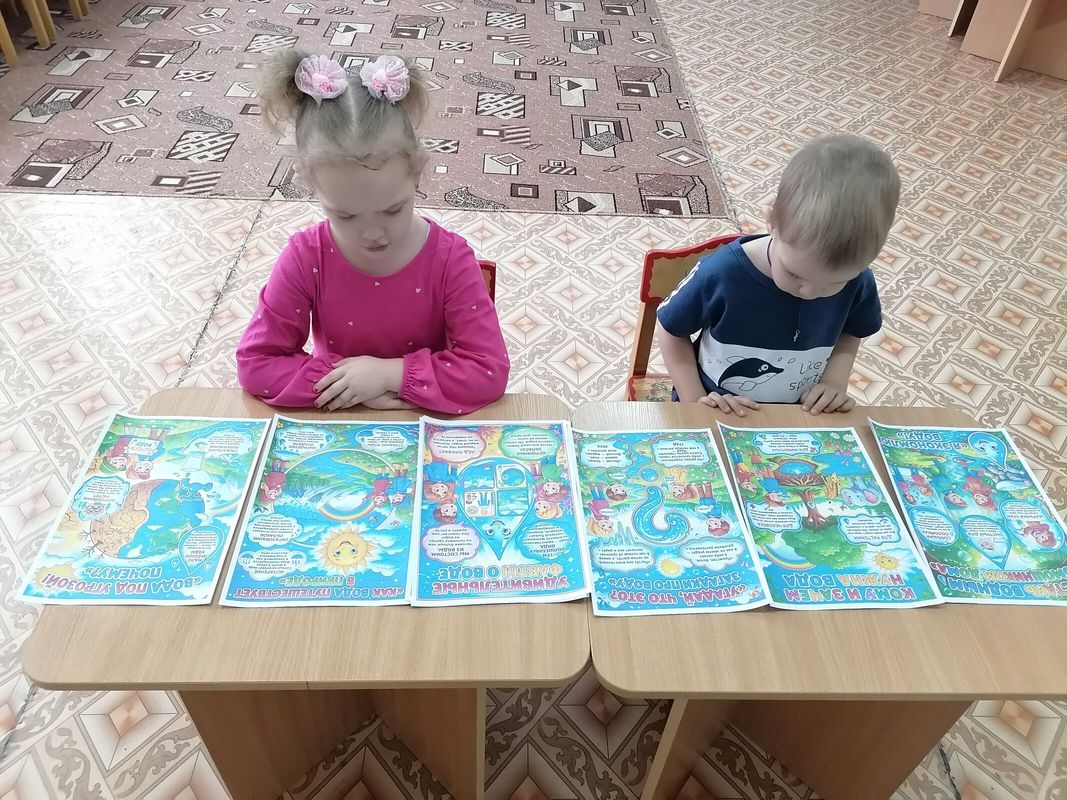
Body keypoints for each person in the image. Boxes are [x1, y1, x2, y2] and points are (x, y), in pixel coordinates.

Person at [237, 53, 510, 412]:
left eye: (392, 210)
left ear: (417, 172)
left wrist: (390, 375)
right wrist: (350, 382)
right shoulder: (305, 257)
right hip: (341, 420)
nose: (373, 234)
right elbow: (256, 363)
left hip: (421, 422)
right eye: (345, 215)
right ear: (311, 185)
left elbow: (487, 371)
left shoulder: (450, 260)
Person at [656, 134, 899, 416]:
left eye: (835, 282)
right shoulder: (721, 273)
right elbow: (670, 330)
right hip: (720, 407)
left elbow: (852, 331)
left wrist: (835, 381)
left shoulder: (859, 280)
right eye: (794, 274)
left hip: (799, 414)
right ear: (772, 222)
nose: (810, 292)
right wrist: (696, 401)